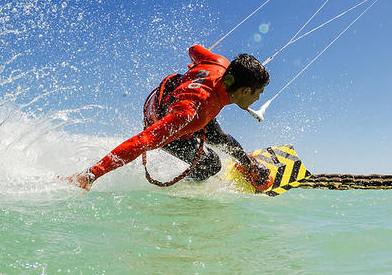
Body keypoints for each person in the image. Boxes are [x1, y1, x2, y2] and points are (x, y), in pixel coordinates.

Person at [62, 45, 273, 191]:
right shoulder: (190, 115)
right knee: (211, 164)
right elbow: (142, 141)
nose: (258, 98)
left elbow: (194, 49)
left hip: (186, 100)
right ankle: (187, 189)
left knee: (221, 138)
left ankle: (248, 166)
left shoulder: (218, 63)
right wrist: (93, 173)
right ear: (245, 91)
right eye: (259, 93)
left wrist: (197, 67)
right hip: (166, 117)